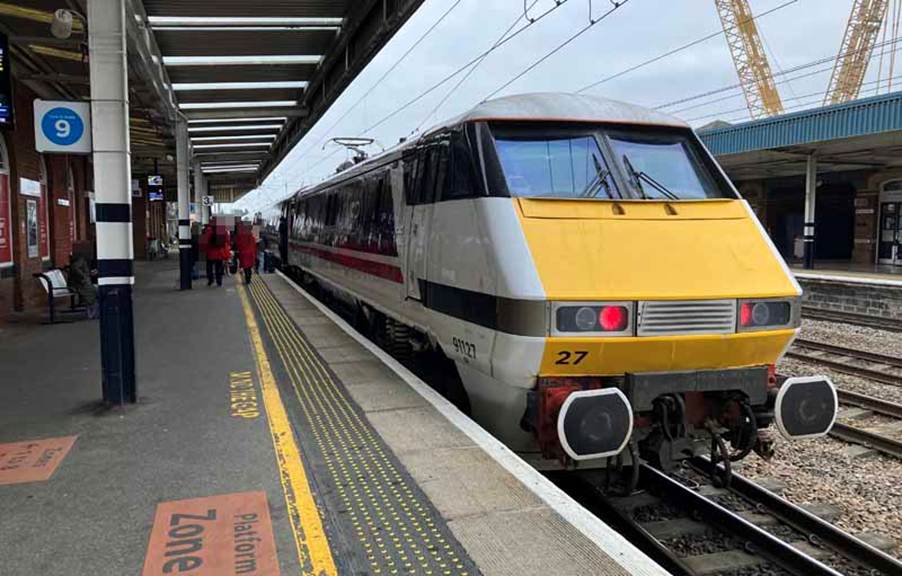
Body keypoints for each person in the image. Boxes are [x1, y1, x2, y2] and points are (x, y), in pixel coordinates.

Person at [68, 252, 98, 319]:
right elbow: (75, 268)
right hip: (80, 284)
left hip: (82, 283)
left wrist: (89, 274)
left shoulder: (82, 258)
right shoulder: (81, 259)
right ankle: (92, 313)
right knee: (95, 292)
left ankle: (92, 312)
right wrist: (84, 276)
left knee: (95, 291)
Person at [200, 220, 229, 286]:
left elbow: (204, 242)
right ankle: (219, 281)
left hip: (210, 252)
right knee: (219, 267)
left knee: (209, 267)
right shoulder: (223, 230)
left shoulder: (207, 230)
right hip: (219, 252)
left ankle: (211, 280)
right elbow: (227, 240)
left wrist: (203, 250)